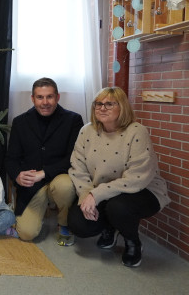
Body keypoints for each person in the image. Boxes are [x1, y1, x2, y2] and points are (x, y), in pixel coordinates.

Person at [68, 87, 170, 267]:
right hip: (101, 191)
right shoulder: (86, 131)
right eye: (98, 104)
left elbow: (137, 177)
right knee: (79, 224)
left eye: (109, 104)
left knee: (118, 207)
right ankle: (110, 227)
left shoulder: (137, 131)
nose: (102, 108)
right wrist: (86, 195)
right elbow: (78, 168)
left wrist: (96, 195)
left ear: (121, 107)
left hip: (141, 190)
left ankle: (133, 242)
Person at [5, 77, 83, 245]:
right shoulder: (20, 122)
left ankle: (64, 223)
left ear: (58, 97)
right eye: (40, 97)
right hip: (32, 186)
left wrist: (45, 173)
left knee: (65, 186)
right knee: (26, 233)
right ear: (33, 98)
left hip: (60, 177)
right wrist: (17, 176)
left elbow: (74, 158)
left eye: (50, 97)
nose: (45, 102)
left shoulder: (73, 120)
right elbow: (11, 158)